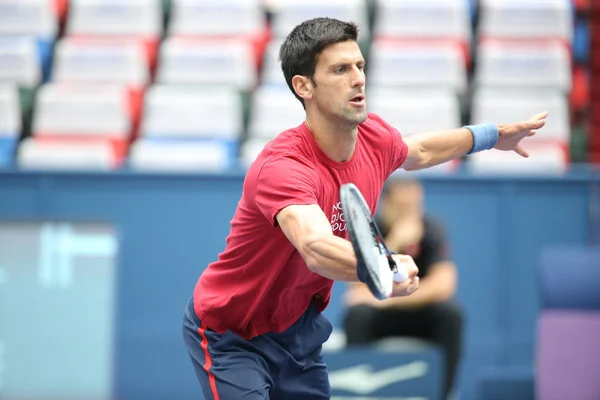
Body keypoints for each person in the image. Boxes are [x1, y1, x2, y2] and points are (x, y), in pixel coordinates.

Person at [181, 17, 547, 400]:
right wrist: (385, 266)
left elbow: (418, 150)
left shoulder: (374, 136)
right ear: (303, 86)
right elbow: (316, 247)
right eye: (340, 70)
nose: (358, 79)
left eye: (360, 66)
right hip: (233, 331)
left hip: (296, 332)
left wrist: (489, 137)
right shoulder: (283, 167)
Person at [343, 178, 463, 399]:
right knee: (357, 316)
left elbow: (444, 286)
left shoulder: (432, 229)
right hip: (381, 317)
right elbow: (355, 287)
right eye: (403, 204)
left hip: (415, 312)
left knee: (451, 316)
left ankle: (443, 394)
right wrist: (395, 241)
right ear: (387, 201)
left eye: (415, 204)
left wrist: (388, 297)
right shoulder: (371, 229)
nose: (410, 210)